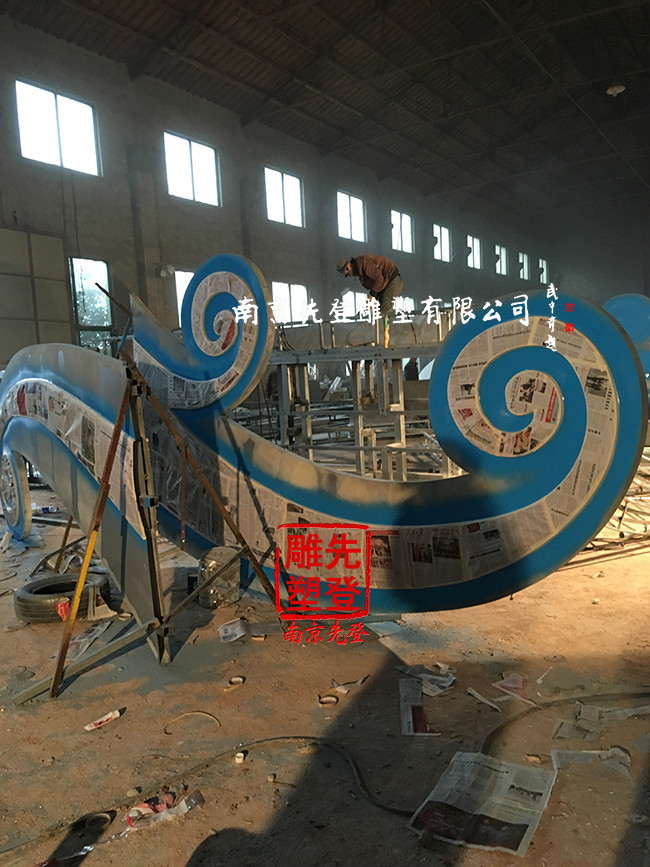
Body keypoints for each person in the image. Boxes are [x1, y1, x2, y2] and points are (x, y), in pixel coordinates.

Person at [336, 255, 403, 317]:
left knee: (383, 310)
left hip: (392, 280)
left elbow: (379, 279)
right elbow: (377, 287)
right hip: (386, 283)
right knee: (379, 308)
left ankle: (395, 323)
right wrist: (366, 308)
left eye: (347, 272)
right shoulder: (360, 270)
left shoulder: (364, 263)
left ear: (349, 265)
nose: (348, 275)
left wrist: (372, 296)